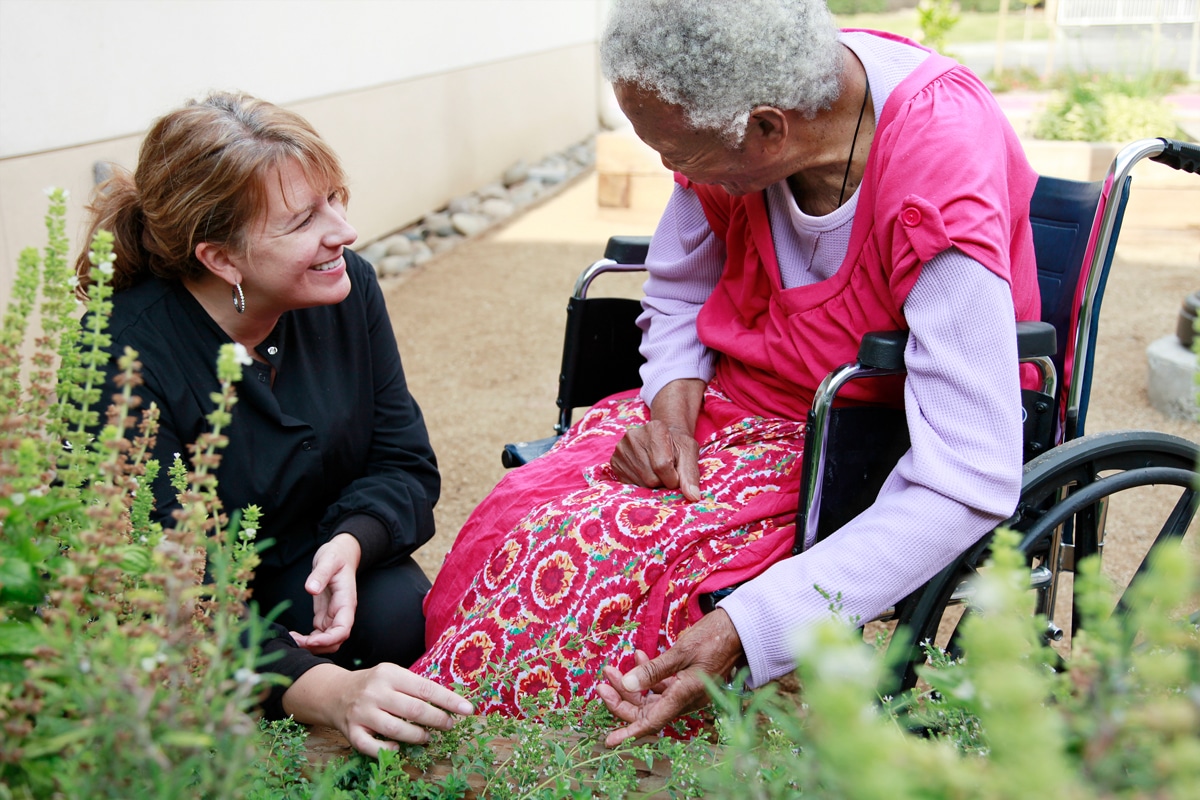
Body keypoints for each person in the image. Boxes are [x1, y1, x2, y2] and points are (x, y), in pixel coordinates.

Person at [415, 0, 1040, 745]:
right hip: (732, 403)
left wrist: (753, 620)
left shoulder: (935, 171)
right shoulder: (753, 103)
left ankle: (553, 757)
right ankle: (468, 727)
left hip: (861, 432)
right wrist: (668, 412)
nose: (670, 169)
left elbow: (969, 470)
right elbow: (679, 289)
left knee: (624, 569)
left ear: (768, 129)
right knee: (530, 511)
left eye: (678, 152)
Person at [77, 92, 473, 756]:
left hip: (307, 565)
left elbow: (403, 463)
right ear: (222, 259)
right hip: (192, 605)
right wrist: (321, 691)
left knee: (400, 614)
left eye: (336, 199)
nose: (343, 231)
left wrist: (351, 542)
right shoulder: (124, 355)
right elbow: (160, 590)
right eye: (304, 220)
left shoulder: (347, 291)